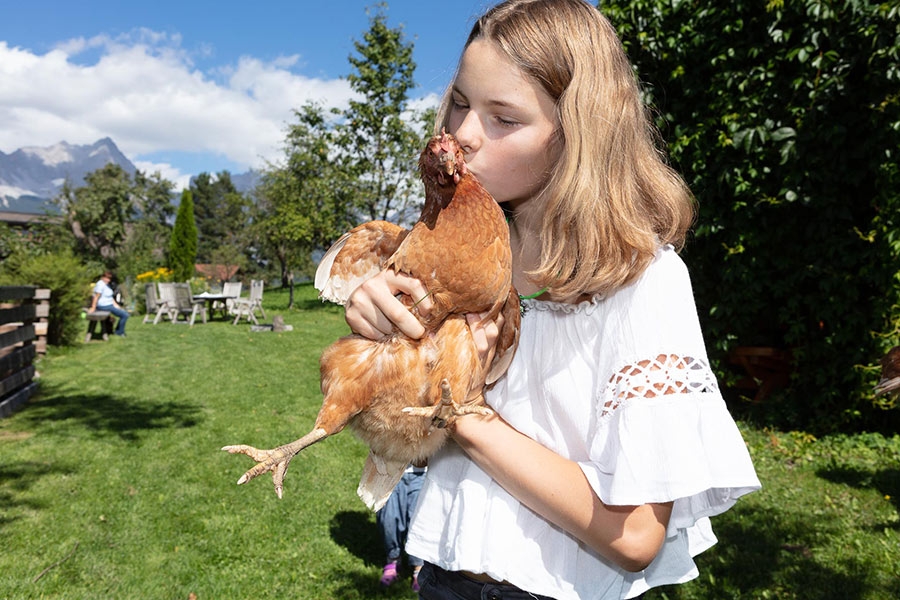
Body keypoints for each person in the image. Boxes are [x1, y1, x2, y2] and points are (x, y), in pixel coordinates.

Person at [344, 1, 761, 598]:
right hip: (440, 580)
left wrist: (465, 415)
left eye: (503, 118)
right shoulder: (458, 255)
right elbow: (398, 432)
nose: (462, 133)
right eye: (460, 101)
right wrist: (378, 329)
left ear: (578, 135)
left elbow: (636, 537)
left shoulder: (642, 282)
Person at [376, 464, 427, 592]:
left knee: (418, 520)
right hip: (388, 471)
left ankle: (418, 567)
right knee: (388, 518)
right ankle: (393, 560)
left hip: (421, 473)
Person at [89, 271, 129, 337]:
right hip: (104, 305)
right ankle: (120, 332)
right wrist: (93, 307)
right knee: (124, 315)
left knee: (124, 314)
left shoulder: (106, 284)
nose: (108, 280)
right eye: (107, 278)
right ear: (103, 277)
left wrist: (115, 305)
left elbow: (109, 296)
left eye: (109, 278)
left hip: (109, 304)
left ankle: (118, 331)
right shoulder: (100, 284)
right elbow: (96, 296)